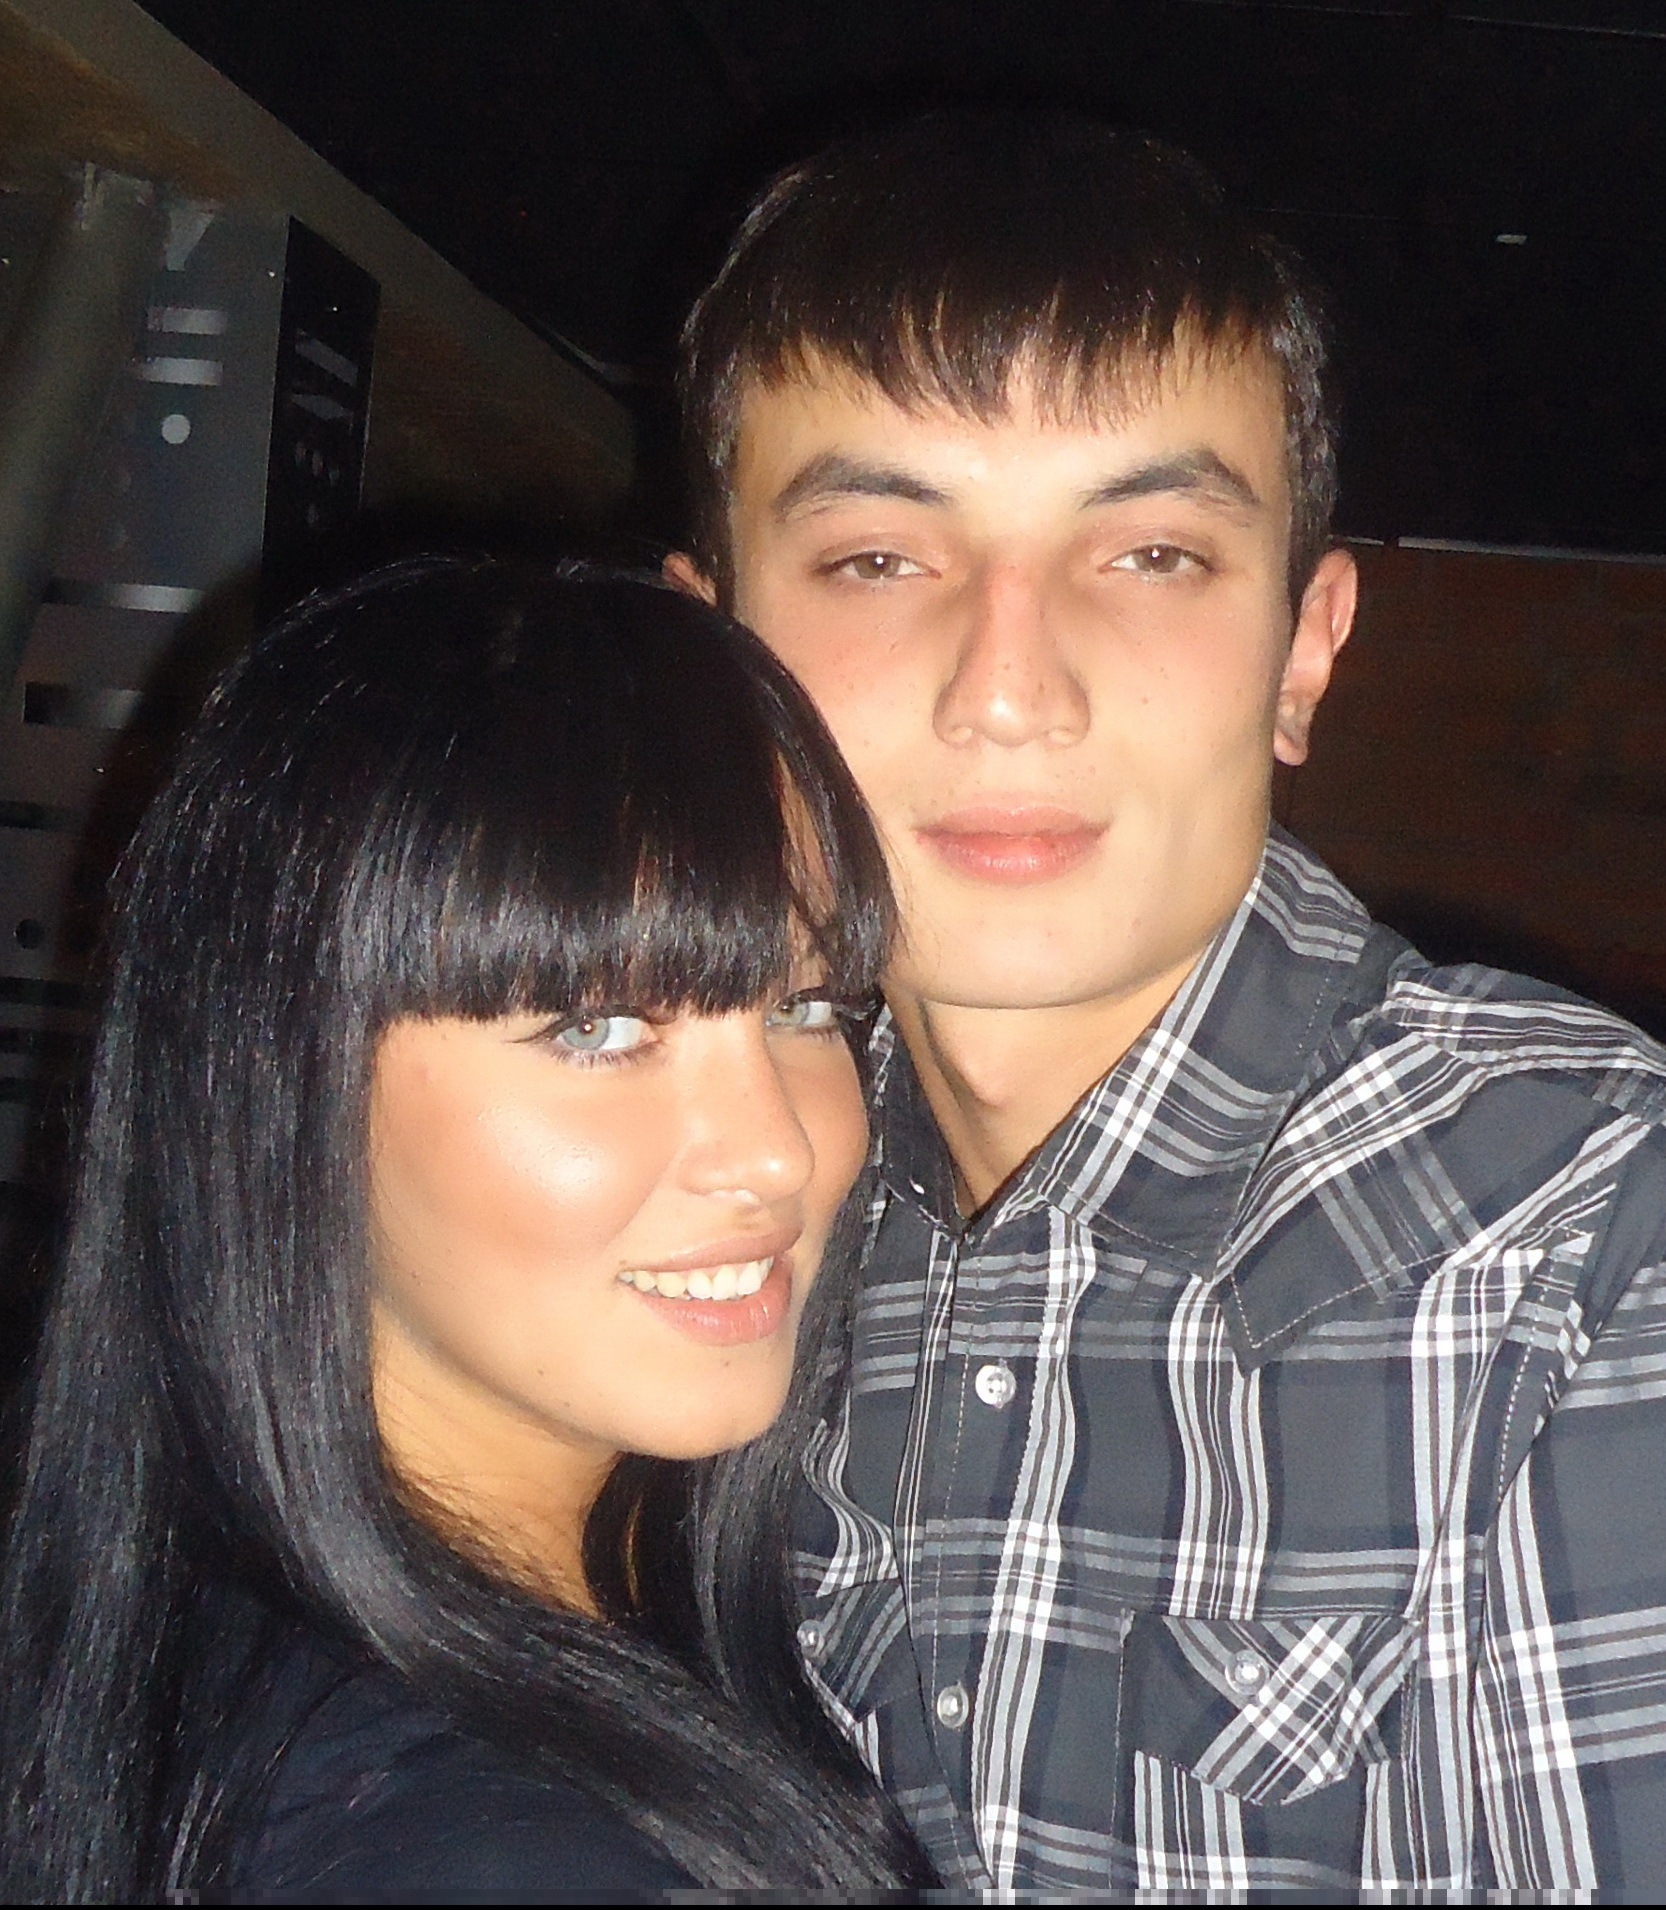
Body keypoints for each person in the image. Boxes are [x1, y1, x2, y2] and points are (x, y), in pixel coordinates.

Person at [668, 109, 1666, 1896]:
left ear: (1303, 649)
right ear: (706, 664)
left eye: (1150, 555)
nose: (1008, 690)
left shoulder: (1591, 1240)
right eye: (878, 557)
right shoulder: (694, 1210)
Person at [0, 559, 937, 1901]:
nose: (778, 1149)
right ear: (282, 1083)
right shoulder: (469, 1839)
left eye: (804, 1007)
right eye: (597, 1028)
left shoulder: (197, 1609)